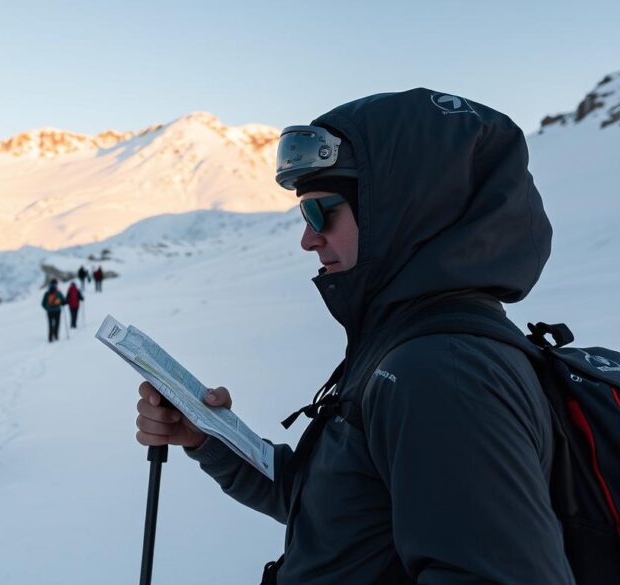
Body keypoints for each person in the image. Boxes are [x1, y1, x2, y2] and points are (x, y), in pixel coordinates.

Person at [134, 89, 574, 584]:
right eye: (304, 215)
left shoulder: (442, 374)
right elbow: (338, 507)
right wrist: (210, 437)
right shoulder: (405, 344)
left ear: (403, 212)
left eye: (321, 212)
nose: (308, 238)